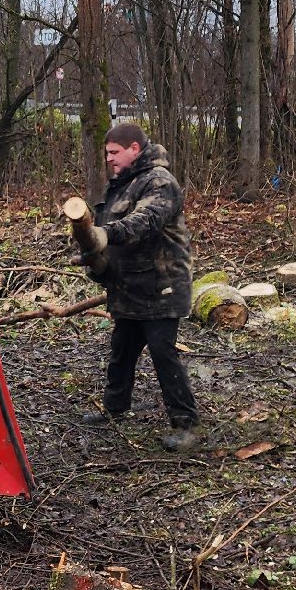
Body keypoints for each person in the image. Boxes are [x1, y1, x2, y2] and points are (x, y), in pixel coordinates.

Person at [75, 122, 201, 452]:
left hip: (161, 285)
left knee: (163, 354)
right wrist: (97, 256)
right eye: (107, 155)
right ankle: (115, 409)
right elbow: (106, 228)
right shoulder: (122, 184)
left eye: (114, 153)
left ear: (134, 149)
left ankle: (186, 425)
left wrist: (106, 235)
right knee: (122, 350)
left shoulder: (159, 182)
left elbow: (144, 222)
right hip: (129, 285)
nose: (110, 160)